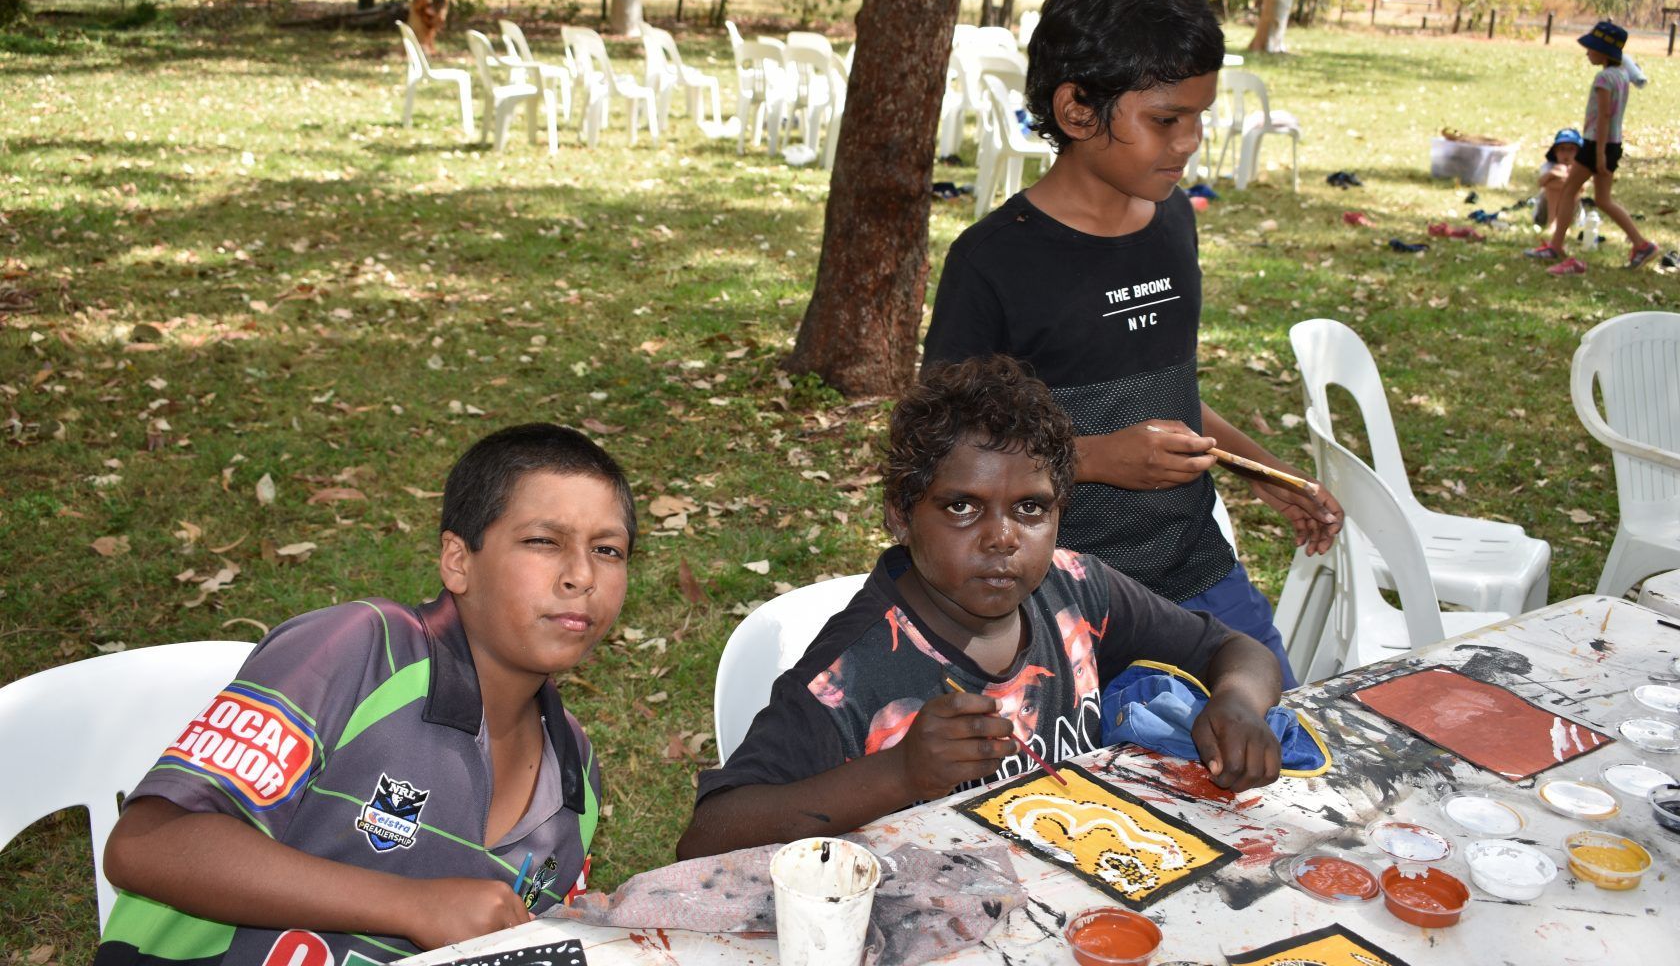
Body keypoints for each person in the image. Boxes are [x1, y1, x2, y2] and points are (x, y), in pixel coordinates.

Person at [921, 0, 1340, 689]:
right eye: (1166, 119)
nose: (1189, 142)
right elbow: (944, 452)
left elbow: (1162, 398)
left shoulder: (1174, 222)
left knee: (1282, 739)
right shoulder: (992, 264)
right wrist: (1100, 457)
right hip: (1058, 601)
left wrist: (1263, 471)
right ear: (1077, 109)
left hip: (1199, 578)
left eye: (1199, 118)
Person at [675, 356, 1283, 860]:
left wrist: (1235, 702)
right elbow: (708, 837)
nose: (1001, 538)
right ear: (900, 511)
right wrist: (899, 774)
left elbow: (1236, 650)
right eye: (962, 507)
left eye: (1030, 509)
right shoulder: (850, 672)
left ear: (1060, 510)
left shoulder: (1076, 589)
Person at [95, 423, 635, 965]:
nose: (582, 576)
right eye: (543, 541)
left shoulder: (576, 777)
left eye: (609, 550)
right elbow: (148, 846)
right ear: (458, 560)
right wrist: (412, 906)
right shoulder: (362, 652)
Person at [1524, 20, 1658, 275]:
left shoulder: (1604, 78)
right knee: (1603, 200)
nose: (1587, 52)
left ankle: (1555, 246)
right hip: (1613, 144)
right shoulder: (1622, 74)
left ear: (1603, 53)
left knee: (1568, 191)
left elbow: (1605, 116)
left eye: (1591, 48)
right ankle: (1642, 244)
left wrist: (1597, 157)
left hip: (1597, 144)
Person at [1533, 127, 1585, 236]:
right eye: (1562, 149)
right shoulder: (1549, 166)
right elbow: (1541, 183)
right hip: (1545, 210)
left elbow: (1582, 188)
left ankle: (1563, 225)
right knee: (1552, 184)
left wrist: (1570, 177)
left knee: (1571, 187)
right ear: (1555, 151)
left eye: (1571, 149)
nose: (1566, 153)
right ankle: (1552, 222)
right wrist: (1553, 174)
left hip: (1572, 211)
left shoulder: (1581, 168)